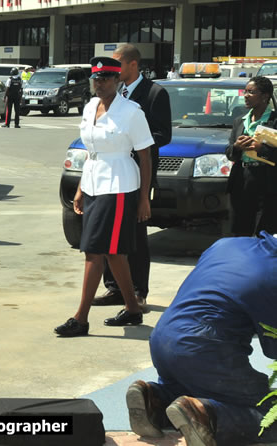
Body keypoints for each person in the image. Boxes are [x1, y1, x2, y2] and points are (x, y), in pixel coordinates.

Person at [125, 232, 277, 446]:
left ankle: (155, 399)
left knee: (192, 386)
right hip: (204, 347)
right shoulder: (273, 275)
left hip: (162, 338)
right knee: (269, 410)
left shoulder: (226, 244)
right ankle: (205, 414)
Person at [54, 56, 152, 337]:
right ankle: (133, 310)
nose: (100, 83)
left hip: (120, 184)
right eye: (96, 78)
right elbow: (91, 153)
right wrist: (81, 188)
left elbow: (144, 156)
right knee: (113, 254)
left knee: (94, 251)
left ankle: (81, 318)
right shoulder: (89, 107)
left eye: (106, 78)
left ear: (118, 79)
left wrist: (144, 198)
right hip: (95, 182)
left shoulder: (132, 112)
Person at [93, 43, 171, 307]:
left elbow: (163, 134)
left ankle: (138, 290)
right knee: (107, 235)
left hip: (137, 174)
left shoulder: (154, 93)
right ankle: (114, 287)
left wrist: (134, 140)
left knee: (135, 234)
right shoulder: (107, 96)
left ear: (133, 64)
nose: (112, 69)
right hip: (108, 176)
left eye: (118, 63)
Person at [225, 76, 277, 237]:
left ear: (265, 96)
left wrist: (261, 149)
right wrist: (237, 147)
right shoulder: (239, 121)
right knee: (240, 229)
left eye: (251, 92)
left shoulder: (274, 120)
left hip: (267, 181)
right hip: (242, 179)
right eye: (245, 92)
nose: (246, 95)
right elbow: (230, 153)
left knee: (263, 231)